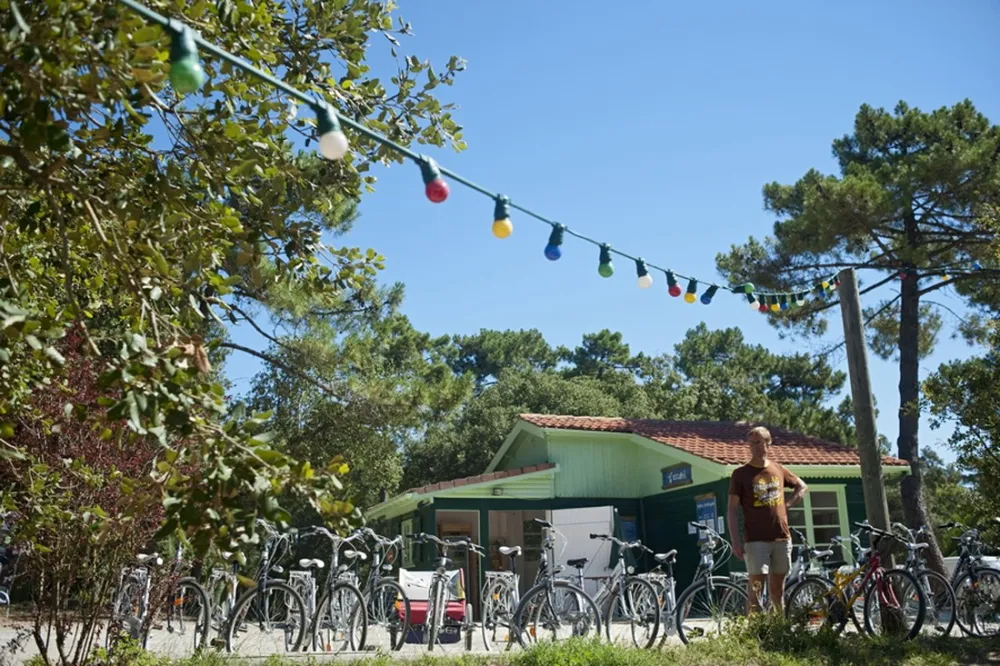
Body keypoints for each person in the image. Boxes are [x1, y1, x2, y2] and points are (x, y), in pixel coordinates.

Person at [727, 426, 808, 613]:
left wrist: (787, 505)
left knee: (777, 591)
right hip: (755, 540)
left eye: (759, 442)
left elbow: (802, 487)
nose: (754, 447)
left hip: (781, 537)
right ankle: (753, 636)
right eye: (752, 443)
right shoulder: (740, 474)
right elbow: (731, 509)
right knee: (756, 590)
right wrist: (735, 541)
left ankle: (778, 631)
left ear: (768, 444)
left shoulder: (778, 469)